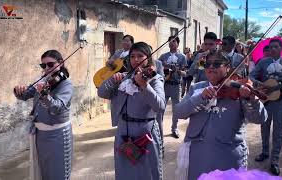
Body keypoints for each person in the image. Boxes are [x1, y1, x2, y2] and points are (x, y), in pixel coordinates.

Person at [174, 50, 268, 180]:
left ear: (228, 68)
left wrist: (250, 99)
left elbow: (259, 118)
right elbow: (179, 112)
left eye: (217, 64)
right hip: (198, 157)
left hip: (227, 157)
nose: (211, 67)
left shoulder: (239, 89)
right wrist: (199, 97)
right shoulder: (197, 88)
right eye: (207, 64)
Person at [98, 42, 165, 180]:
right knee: (124, 170)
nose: (136, 59)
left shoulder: (155, 79)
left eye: (140, 56)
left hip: (145, 131)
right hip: (123, 130)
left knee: (147, 171)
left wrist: (144, 86)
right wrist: (112, 80)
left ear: (148, 58)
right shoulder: (125, 78)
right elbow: (102, 93)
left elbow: (160, 106)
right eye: (132, 56)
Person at [14, 50, 74, 180]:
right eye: (43, 65)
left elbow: (56, 107)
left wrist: (44, 95)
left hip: (57, 134)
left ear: (61, 63)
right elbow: (25, 95)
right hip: (40, 135)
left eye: (50, 64)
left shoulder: (66, 84)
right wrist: (18, 90)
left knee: (58, 172)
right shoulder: (43, 80)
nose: (47, 68)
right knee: (44, 171)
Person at [250, 39, 282, 175]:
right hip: (266, 100)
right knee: (264, 126)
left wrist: (281, 89)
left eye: (276, 47)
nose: (273, 49)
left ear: (281, 49)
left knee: (278, 131)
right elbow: (252, 76)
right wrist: (261, 85)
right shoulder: (263, 62)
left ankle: (274, 160)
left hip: (280, 102)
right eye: (271, 47)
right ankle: (264, 152)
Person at [158, 36, 187, 139]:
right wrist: (164, 66)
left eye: (174, 41)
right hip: (165, 85)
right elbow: (157, 69)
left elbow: (185, 74)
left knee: (176, 109)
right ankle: (158, 129)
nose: (171, 43)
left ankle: (174, 128)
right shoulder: (163, 56)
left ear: (178, 44)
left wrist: (177, 70)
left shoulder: (182, 57)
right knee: (160, 107)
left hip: (176, 86)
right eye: (170, 41)